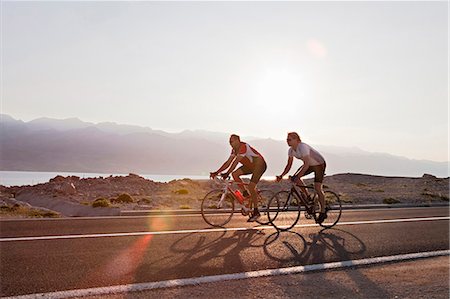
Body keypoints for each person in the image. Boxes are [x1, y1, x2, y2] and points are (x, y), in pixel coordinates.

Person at [210, 134, 267, 222]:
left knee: (251, 186)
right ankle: (245, 193)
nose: (230, 143)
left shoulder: (243, 146)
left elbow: (236, 162)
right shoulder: (234, 150)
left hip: (259, 165)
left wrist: (227, 173)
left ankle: (256, 212)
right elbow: (228, 162)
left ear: (238, 140)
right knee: (235, 174)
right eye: (229, 141)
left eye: (232, 141)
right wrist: (217, 172)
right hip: (250, 166)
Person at [275, 132, 328, 223]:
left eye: (289, 139)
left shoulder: (303, 147)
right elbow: (289, 165)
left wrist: (297, 177)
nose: (287, 141)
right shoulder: (291, 150)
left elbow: (306, 164)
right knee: (295, 178)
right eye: (287, 139)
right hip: (309, 165)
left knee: (317, 187)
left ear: (297, 140)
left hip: (319, 165)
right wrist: (281, 175)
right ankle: (308, 197)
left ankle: (323, 211)